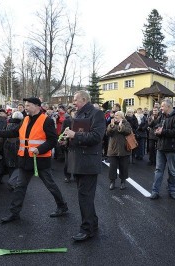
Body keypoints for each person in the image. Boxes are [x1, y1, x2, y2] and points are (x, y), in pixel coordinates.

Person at [0, 97, 68, 223]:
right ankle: (14, 213)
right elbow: (14, 132)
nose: (26, 107)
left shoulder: (46, 120)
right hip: (25, 160)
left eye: (28, 105)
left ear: (37, 106)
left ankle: (62, 206)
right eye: (25, 105)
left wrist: (39, 149)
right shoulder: (25, 119)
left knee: (50, 185)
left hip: (40, 161)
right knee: (20, 187)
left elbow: (52, 140)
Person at [63, 90, 106, 242]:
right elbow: (77, 136)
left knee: (85, 197)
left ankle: (87, 229)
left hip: (88, 162)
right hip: (78, 161)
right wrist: (67, 140)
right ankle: (92, 223)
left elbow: (96, 137)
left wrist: (75, 135)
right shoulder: (78, 115)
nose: (73, 102)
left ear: (84, 99)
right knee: (84, 196)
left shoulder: (97, 114)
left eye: (75, 99)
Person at [150, 99, 175, 200]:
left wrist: (163, 131)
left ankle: (172, 190)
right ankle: (155, 191)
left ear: (168, 107)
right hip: (161, 147)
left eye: (162, 106)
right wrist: (157, 130)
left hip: (172, 149)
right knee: (158, 170)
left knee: (172, 171)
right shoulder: (162, 116)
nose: (160, 108)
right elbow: (156, 126)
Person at [106, 111, 132, 190]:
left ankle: (123, 182)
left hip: (124, 149)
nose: (115, 116)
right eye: (115, 115)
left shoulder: (126, 123)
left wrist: (121, 127)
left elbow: (128, 131)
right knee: (112, 167)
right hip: (113, 149)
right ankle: (112, 182)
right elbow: (107, 133)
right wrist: (111, 126)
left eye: (117, 115)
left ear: (121, 116)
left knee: (123, 167)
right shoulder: (112, 123)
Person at [3, 111, 24, 176]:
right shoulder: (22, 125)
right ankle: (15, 180)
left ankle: (11, 179)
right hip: (19, 145)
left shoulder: (7, 124)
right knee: (18, 164)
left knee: (10, 163)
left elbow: (3, 135)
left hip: (7, 145)